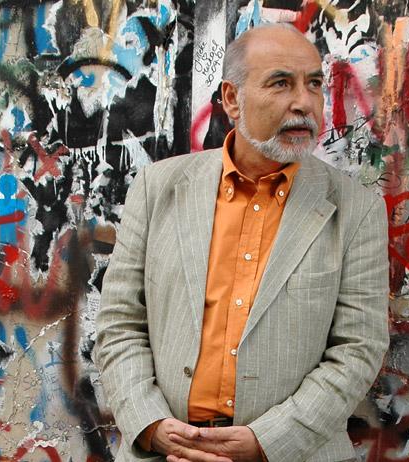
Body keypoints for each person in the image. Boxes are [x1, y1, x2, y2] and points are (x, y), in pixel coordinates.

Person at [94, 23, 389, 462]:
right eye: (281, 83)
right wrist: (152, 426)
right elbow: (119, 323)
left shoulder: (356, 210)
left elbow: (358, 349)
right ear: (232, 99)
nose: (304, 103)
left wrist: (266, 442)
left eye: (313, 84)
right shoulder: (158, 188)